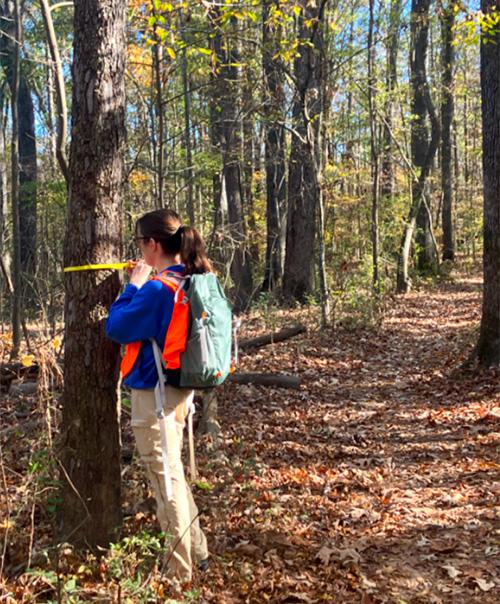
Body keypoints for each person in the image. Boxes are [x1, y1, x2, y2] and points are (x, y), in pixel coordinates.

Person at [106, 209, 209, 583]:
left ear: (152, 245)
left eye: (140, 243)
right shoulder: (188, 278)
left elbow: (116, 327)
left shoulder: (155, 289)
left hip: (156, 399)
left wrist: (132, 284)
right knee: (173, 474)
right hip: (178, 394)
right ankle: (198, 551)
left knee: (165, 483)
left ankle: (179, 575)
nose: (139, 250)